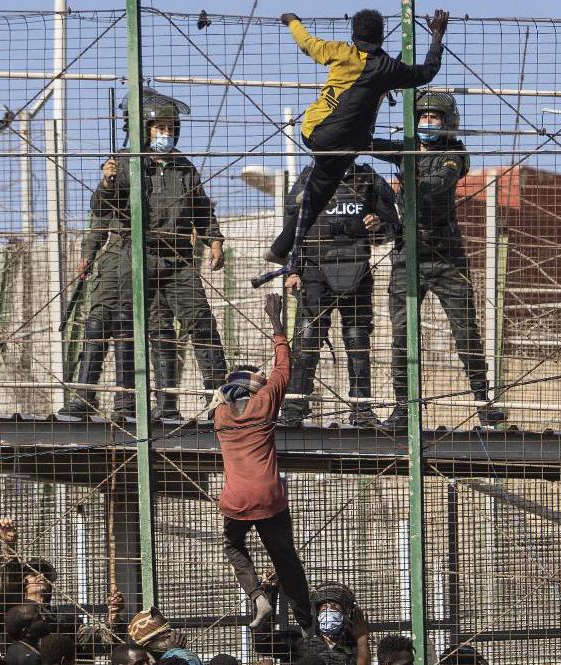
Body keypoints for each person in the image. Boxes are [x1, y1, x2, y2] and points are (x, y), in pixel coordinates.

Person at [63, 90, 228, 421]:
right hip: (133, 254)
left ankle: (213, 400)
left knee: (199, 321)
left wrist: (214, 240)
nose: (164, 133)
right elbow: (102, 210)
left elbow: (201, 209)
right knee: (126, 323)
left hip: (177, 257)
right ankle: (92, 399)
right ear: (144, 130)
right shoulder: (125, 164)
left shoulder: (184, 168)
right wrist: (107, 184)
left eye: (169, 127)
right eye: (158, 127)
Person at [260, 8, 449, 277]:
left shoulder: (340, 51)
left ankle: (280, 248)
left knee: (321, 190)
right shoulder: (389, 67)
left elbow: (306, 43)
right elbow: (427, 72)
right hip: (347, 143)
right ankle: (305, 202)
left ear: (353, 33)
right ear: (382, 37)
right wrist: (437, 37)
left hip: (313, 131)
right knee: (326, 181)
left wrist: (292, 20)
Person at [369, 90, 505, 429]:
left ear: (447, 124)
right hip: (406, 254)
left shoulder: (453, 154)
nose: (428, 124)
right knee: (402, 335)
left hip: (446, 255)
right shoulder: (405, 150)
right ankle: (403, 408)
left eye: (435, 119)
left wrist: (411, 177)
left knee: (465, 331)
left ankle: (482, 400)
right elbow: (369, 144)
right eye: (423, 118)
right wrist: (365, 107)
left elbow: (439, 183)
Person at [212, 293, 314, 632]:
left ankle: (257, 596)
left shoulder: (220, 416)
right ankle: (308, 625)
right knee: (286, 561)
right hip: (270, 497)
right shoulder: (266, 403)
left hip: (236, 500)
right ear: (257, 389)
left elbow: (222, 394)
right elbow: (284, 366)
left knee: (233, 545)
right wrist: (275, 320)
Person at [279, 162, 398, 428]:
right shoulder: (310, 176)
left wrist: (378, 225)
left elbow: (393, 226)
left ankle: (361, 409)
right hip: (314, 272)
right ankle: (294, 407)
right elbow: (292, 226)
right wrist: (293, 270)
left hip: (357, 271)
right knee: (307, 340)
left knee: (357, 340)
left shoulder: (367, 178)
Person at [0, 518, 123, 657]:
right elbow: (8, 583)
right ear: (23, 581)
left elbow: (103, 643)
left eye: (45, 574)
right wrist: (9, 546)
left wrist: (114, 616)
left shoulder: (64, 621)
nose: (41, 575)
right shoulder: (12, 610)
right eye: (34, 573)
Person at [252, 581, 369, 665]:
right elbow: (262, 642)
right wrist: (269, 591)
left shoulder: (354, 648)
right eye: (324, 608)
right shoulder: (300, 644)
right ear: (318, 615)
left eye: (335, 607)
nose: (329, 610)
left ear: (344, 615)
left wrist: (362, 640)